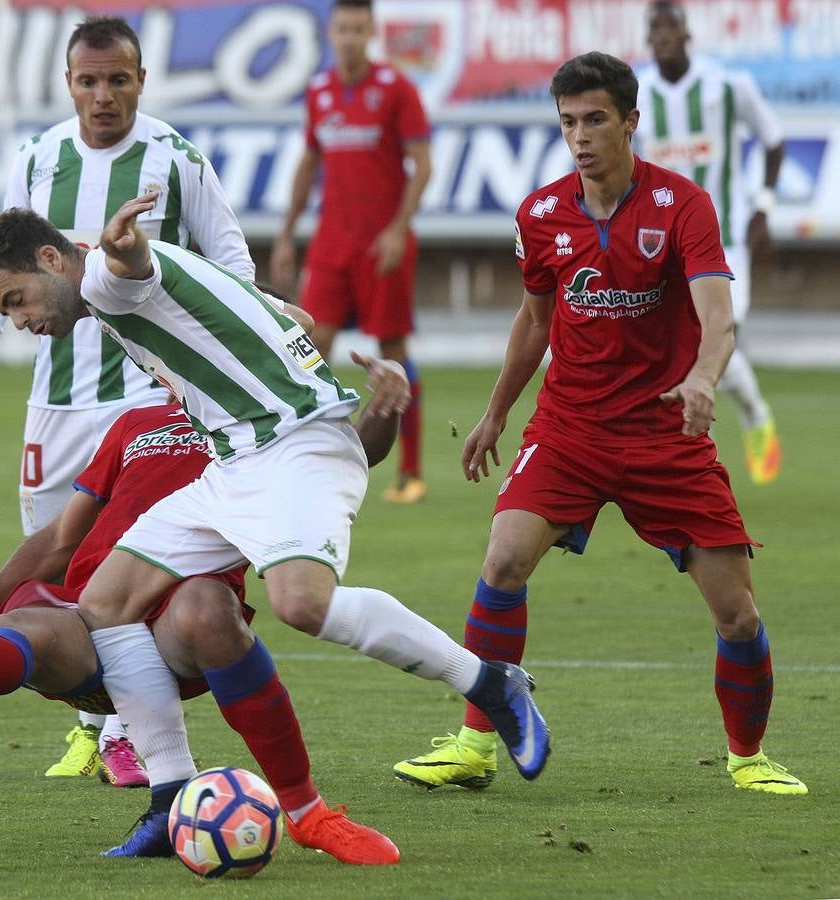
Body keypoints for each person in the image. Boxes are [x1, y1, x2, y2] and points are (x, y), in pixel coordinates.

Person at [0, 198, 552, 837]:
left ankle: (490, 683)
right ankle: (170, 799)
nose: (19, 320)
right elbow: (290, 314)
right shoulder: (121, 300)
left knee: (302, 605)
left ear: (52, 258)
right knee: (105, 603)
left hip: (296, 446)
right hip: (234, 461)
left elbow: (128, 266)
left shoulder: (105, 279)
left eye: (16, 299)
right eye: (6, 313)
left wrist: (123, 248)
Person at [393, 52, 806, 796]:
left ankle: (747, 758)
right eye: (567, 123)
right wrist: (495, 412)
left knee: (738, 615)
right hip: (570, 428)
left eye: (594, 120)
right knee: (502, 561)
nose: (579, 137)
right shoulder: (540, 215)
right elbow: (532, 320)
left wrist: (702, 381)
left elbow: (718, 317)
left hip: (664, 435)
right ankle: (475, 743)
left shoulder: (683, 205)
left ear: (628, 122)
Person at [0, 355, 412, 863]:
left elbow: (358, 452)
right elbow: (60, 540)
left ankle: (306, 813)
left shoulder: (269, 433)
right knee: (24, 626)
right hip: (96, 615)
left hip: (182, 630)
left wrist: (384, 408)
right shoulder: (135, 423)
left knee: (205, 604)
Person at [0, 15, 255, 784]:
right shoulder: (41, 156)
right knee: (47, 569)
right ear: (69, 83)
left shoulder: (175, 160)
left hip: (141, 399)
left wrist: (220, 354)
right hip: (55, 397)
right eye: (88, 81)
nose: (103, 95)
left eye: (118, 79)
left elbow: (230, 261)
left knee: (121, 565)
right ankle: (93, 722)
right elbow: (4, 254)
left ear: (140, 80)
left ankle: (125, 730)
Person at [269, 0, 432, 504]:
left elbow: (422, 164)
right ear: (330, 32)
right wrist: (286, 232)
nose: (349, 38)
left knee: (393, 353)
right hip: (331, 243)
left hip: (382, 244)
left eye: (359, 29)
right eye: (342, 29)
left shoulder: (396, 89)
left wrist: (397, 229)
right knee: (310, 347)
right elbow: (309, 161)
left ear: (372, 33)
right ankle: (305, 456)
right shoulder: (319, 92)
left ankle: (409, 470)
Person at [636, 1, 785, 485]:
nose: (662, 36)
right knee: (688, 347)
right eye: (653, 29)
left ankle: (754, 414)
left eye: (669, 27)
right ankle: (707, 453)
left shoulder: (727, 86)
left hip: (724, 242)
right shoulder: (635, 96)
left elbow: (773, 138)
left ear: (686, 34)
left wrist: (762, 207)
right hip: (662, 247)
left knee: (717, 338)